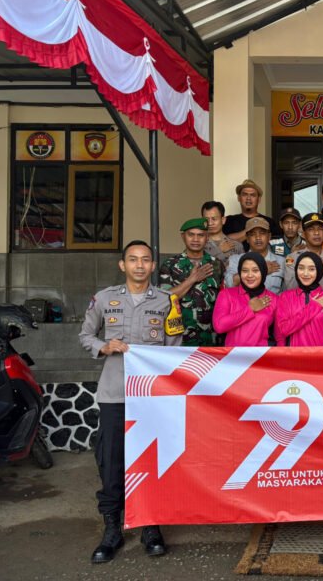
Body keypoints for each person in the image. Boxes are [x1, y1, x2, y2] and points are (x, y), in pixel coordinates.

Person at [79, 240, 182, 564]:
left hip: (151, 396)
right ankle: (112, 528)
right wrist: (104, 346)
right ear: (123, 265)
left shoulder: (167, 301)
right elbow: (85, 336)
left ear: (153, 265)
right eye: (133, 260)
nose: (140, 265)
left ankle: (151, 525)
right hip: (115, 394)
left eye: (146, 260)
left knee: (151, 460)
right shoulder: (104, 299)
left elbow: (175, 348)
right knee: (111, 461)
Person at [158, 218, 225, 347]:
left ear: (207, 238)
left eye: (200, 235)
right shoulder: (170, 265)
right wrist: (192, 279)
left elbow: (223, 299)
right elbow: (164, 299)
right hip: (179, 338)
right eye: (191, 235)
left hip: (210, 339)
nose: (195, 239)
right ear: (183, 236)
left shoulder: (217, 265)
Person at [275, 252, 323, 346]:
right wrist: (314, 307)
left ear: (319, 271)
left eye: (311, 269)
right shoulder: (286, 297)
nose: (305, 273)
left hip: (321, 354)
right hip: (293, 354)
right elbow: (282, 331)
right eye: (301, 268)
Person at [213, 252, 277, 347]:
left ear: (263, 272)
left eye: (255, 270)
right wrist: (250, 309)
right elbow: (219, 326)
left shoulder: (274, 299)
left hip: (262, 355)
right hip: (232, 355)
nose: (250, 275)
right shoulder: (226, 294)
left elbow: (279, 335)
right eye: (245, 271)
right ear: (239, 272)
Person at [225, 217, 285, 294]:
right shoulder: (235, 260)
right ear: (247, 238)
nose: (258, 237)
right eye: (253, 234)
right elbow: (229, 284)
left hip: (273, 301)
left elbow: (286, 293)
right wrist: (262, 269)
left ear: (269, 236)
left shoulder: (281, 261)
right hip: (245, 301)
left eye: (262, 233)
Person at [285, 213, 323, 293]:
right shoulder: (291, 258)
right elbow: (290, 288)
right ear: (303, 234)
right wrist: (319, 269)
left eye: (320, 229)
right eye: (311, 229)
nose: (316, 233)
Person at [222, 179, 281, 245]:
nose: (248, 198)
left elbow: (277, 245)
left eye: (252, 195)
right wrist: (252, 228)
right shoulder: (229, 221)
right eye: (245, 194)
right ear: (239, 198)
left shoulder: (269, 222)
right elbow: (223, 243)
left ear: (259, 199)